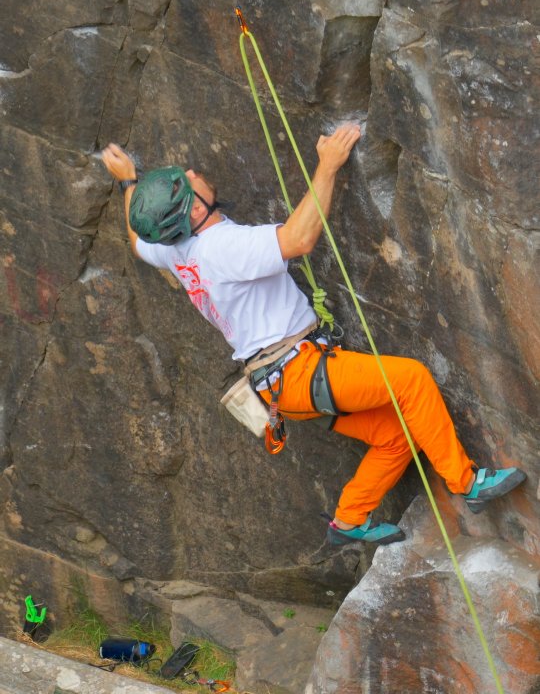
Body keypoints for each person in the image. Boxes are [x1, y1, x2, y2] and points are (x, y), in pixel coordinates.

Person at [101, 129, 526, 545]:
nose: (194, 173)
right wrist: (328, 165)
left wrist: (129, 182)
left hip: (280, 385)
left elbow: (137, 242)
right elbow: (299, 239)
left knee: (396, 435)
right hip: (298, 371)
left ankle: (349, 519)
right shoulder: (223, 246)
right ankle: (467, 483)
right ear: (195, 210)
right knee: (411, 381)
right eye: (187, 181)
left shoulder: (174, 249)